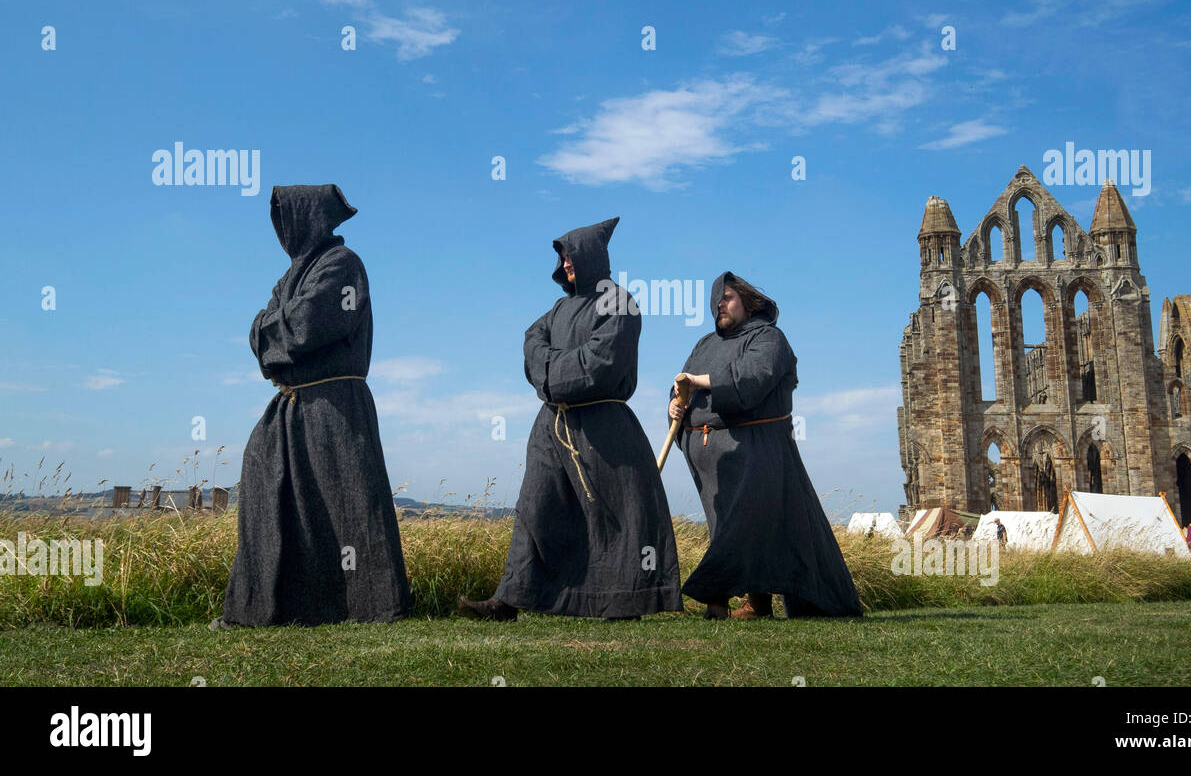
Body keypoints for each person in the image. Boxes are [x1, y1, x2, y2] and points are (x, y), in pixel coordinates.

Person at [459, 217, 683, 621]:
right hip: (553, 424)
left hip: (604, 425)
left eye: (570, 255)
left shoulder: (620, 302)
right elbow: (532, 344)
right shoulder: (558, 309)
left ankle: (623, 599)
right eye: (562, 258)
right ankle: (508, 600)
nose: (565, 264)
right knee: (535, 506)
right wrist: (553, 370)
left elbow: (601, 363)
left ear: (591, 256)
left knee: (615, 516)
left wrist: (550, 369)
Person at [215, 184, 412, 627]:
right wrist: (272, 329)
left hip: (335, 407)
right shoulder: (287, 280)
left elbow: (304, 326)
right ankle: (281, 605)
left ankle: (367, 605)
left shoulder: (343, 265)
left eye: (289, 217)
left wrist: (272, 329)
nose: (283, 229)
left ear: (309, 219)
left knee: (347, 503)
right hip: (291, 405)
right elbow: (256, 334)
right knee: (269, 486)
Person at [668, 272, 861, 620]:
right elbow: (682, 385)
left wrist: (698, 382)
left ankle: (715, 597)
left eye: (727, 298)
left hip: (755, 448)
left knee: (745, 525)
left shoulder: (769, 339)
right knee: (727, 526)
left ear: (747, 300)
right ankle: (757, 605)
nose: (720, 305)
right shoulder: (703, 345)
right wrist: (676, 404)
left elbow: (752, 379)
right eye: (716, 301)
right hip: (709, 455)